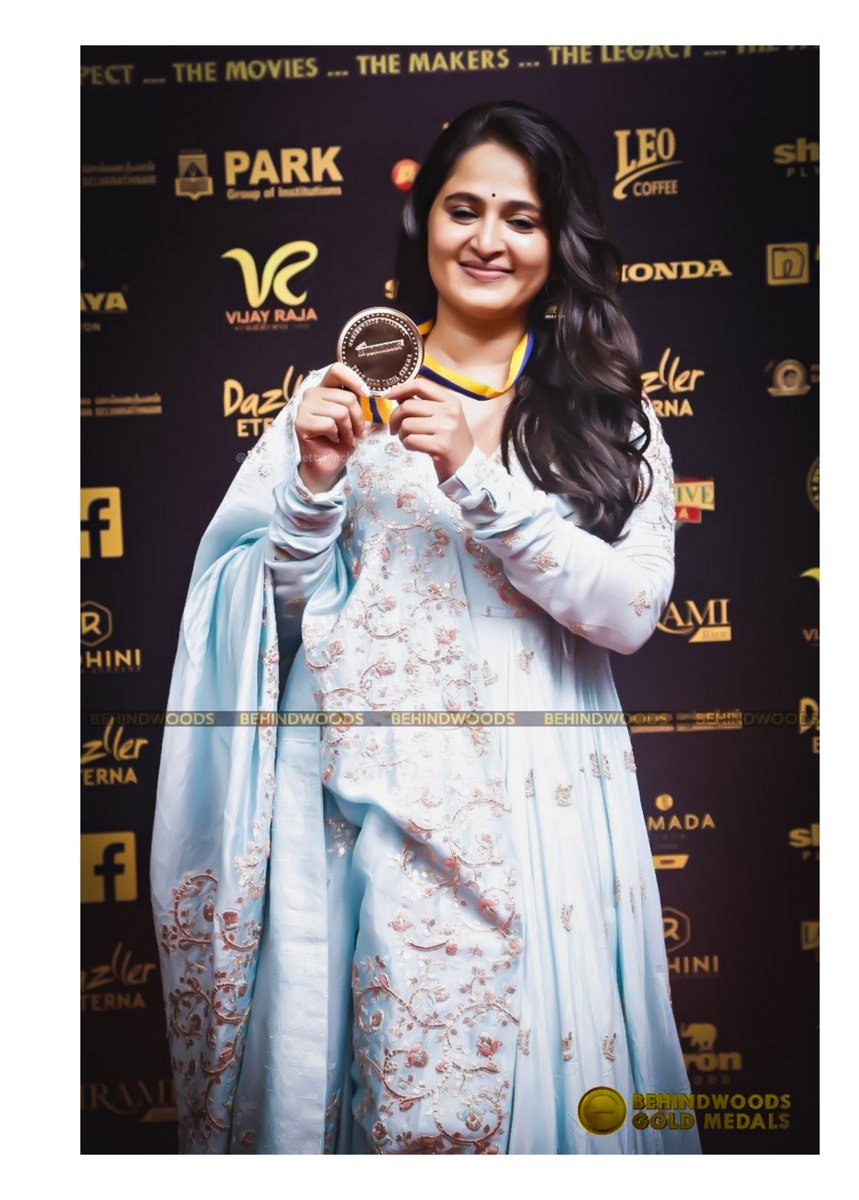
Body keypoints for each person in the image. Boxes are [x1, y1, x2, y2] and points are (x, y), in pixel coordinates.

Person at [150, 99, 702, 1156]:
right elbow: (271, 635)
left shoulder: (608, 413)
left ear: (559, 239)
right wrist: (313, 488)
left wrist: (476, 478)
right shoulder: (338, 403)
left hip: (553, 819)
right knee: (413, 1102)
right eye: (464, 209)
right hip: (391, 822)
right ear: (425, 226)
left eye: (522, 217)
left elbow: (630, 612)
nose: (489, 239)